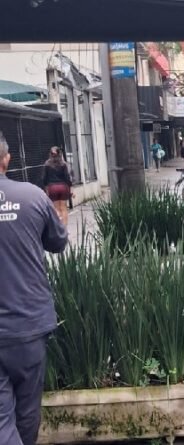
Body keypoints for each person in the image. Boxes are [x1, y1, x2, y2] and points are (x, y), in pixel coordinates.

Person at [0, 131, 68, 445]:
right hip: (29, 322)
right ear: (7, 159)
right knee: (28, 411)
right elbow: (58, 242)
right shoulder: (33, 196)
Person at [41, 146, 72, 226]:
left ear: (50, 154)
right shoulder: (64, 164)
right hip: (63, 187)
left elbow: (44, 178)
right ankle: (64, 228)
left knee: (56, 209)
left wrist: (46, 189)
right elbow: (67, 177)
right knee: (64, 208)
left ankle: (58, 228)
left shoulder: (47, 164)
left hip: (52, 188)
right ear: (59, 153)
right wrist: (70, 189)